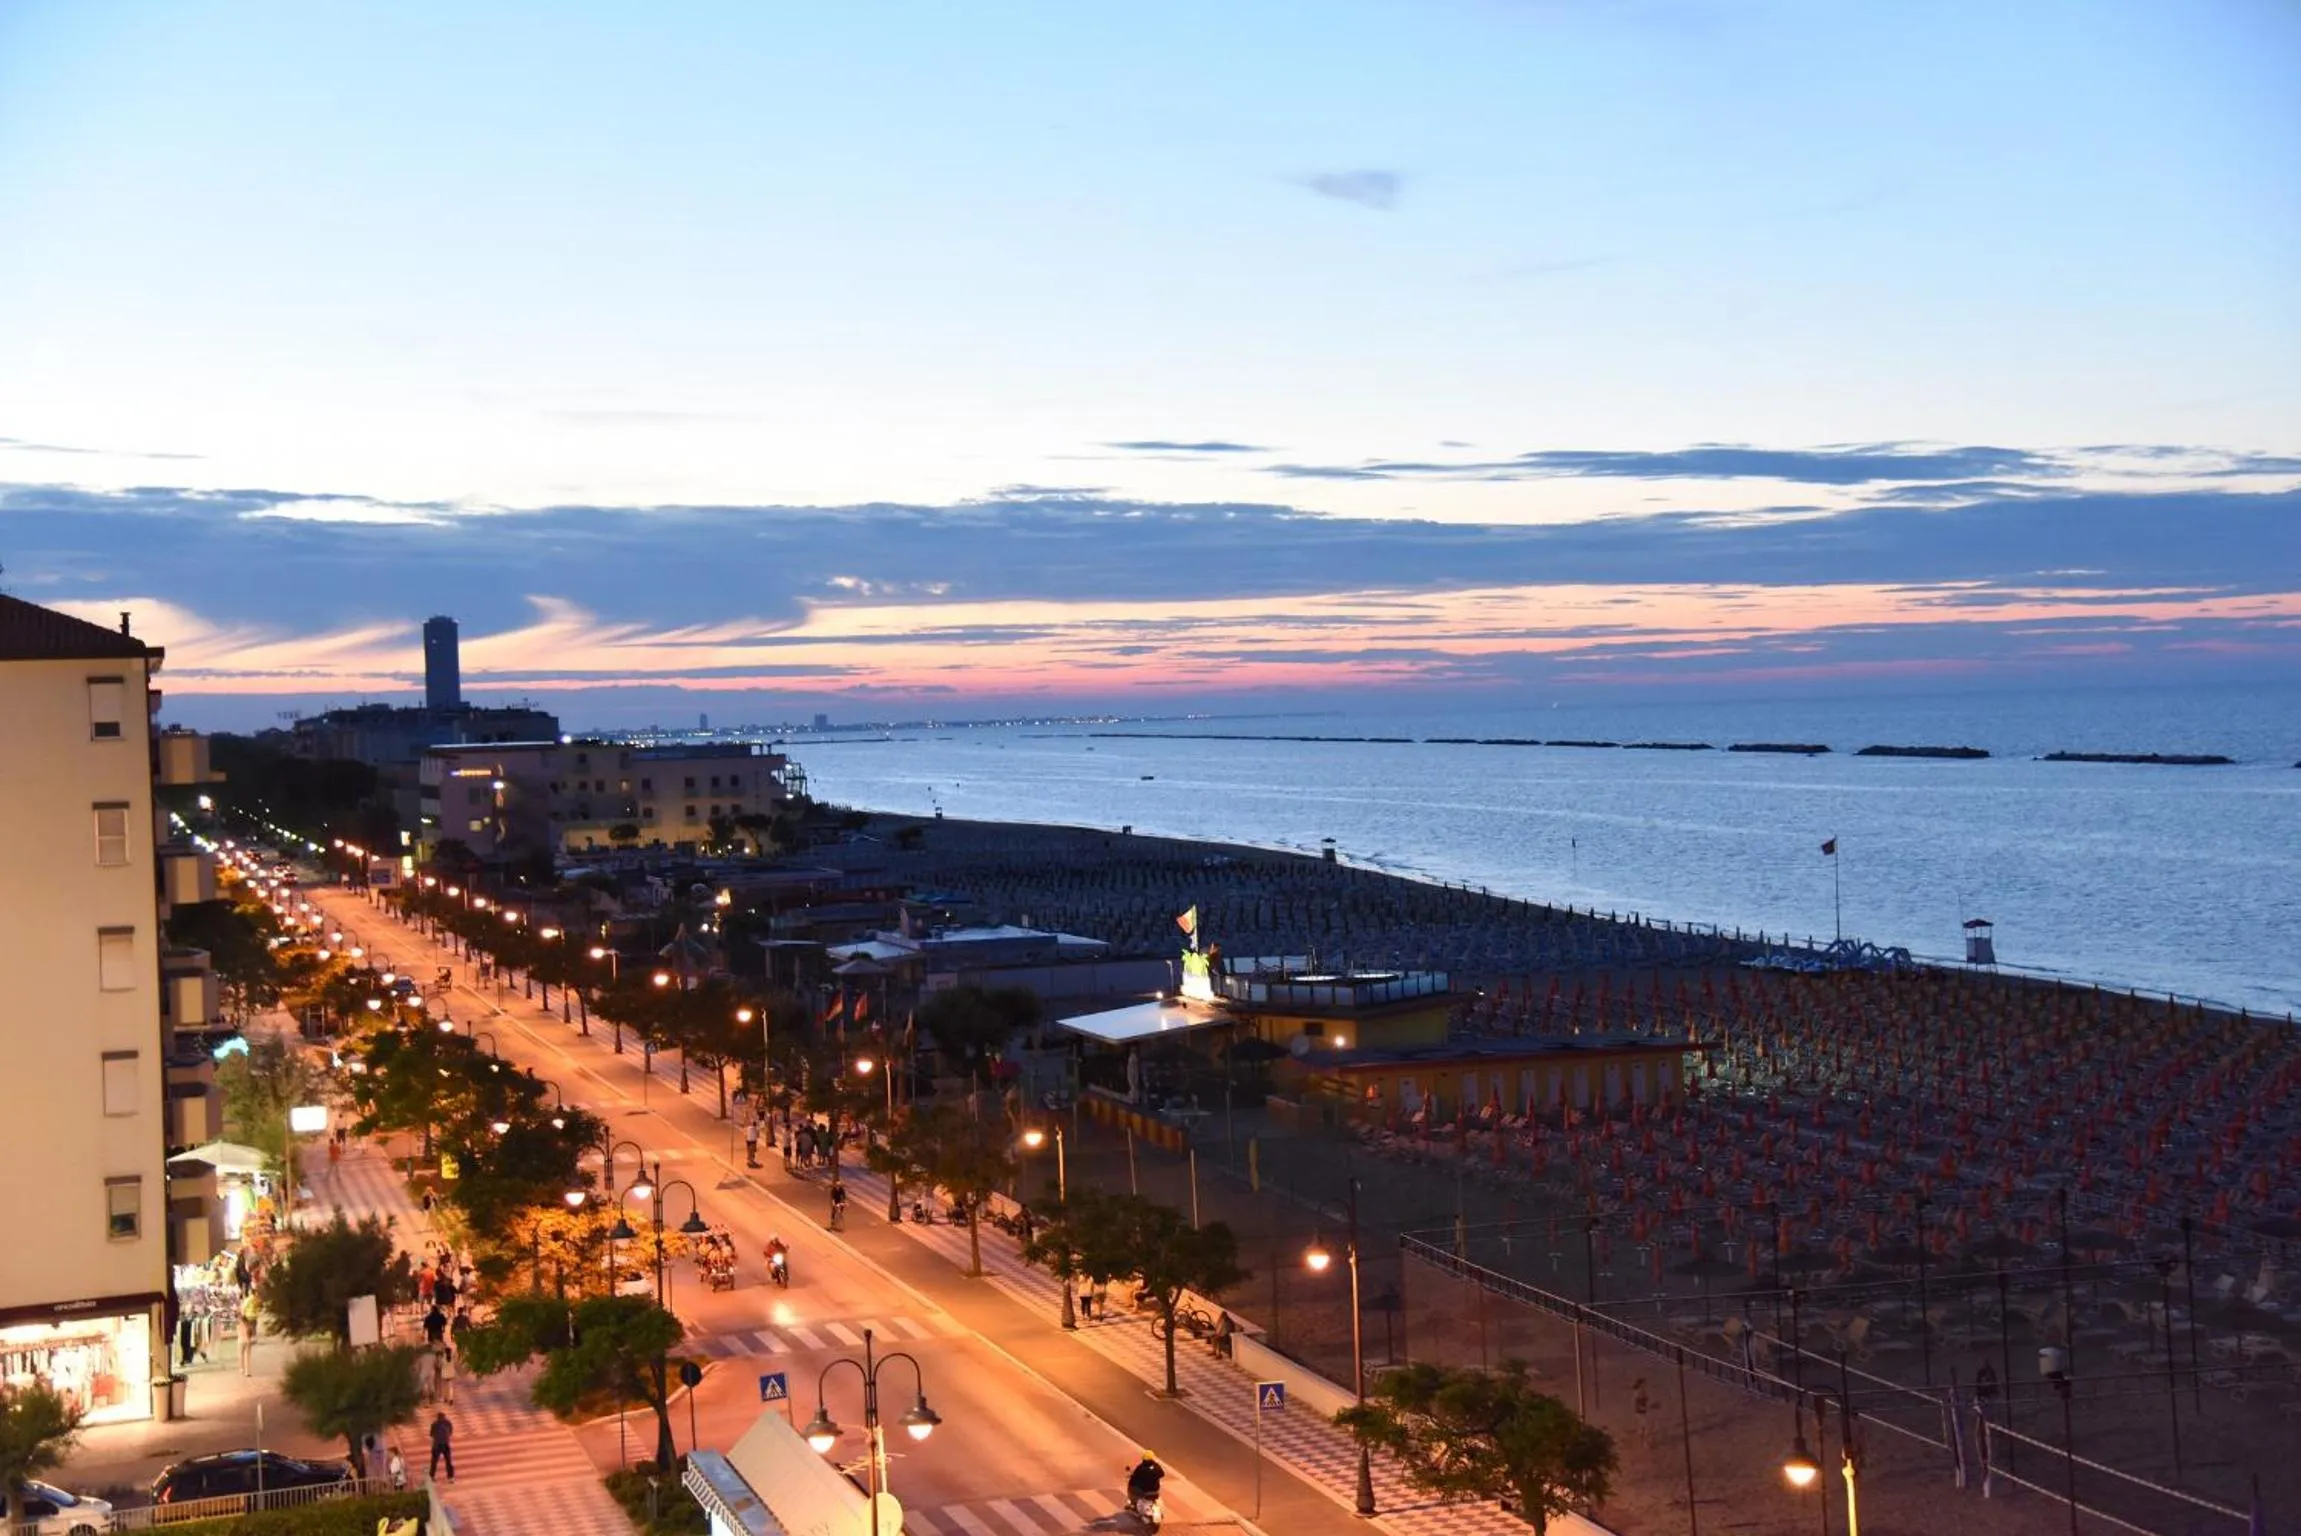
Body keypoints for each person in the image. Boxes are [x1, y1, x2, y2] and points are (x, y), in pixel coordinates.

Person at [427, 1410, 455, 1483]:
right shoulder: (448, 1423)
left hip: (437, 1445)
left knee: (434, 1461)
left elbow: (431, 1434)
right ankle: (450, 1477)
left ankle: (432, 1476)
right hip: (444, 1444)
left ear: (438, 1417)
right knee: (448, 1462)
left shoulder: (435, 1424)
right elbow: (451, 1432)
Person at [238, 1288, 260, 1375]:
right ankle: (247, 1371)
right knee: (248, 1355)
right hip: (248, 1339)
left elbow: (243, 1309)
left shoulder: (248, 1300)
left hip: (241, 1340)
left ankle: (241, 1369)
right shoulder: (255, 1300)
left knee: (241, 1354)